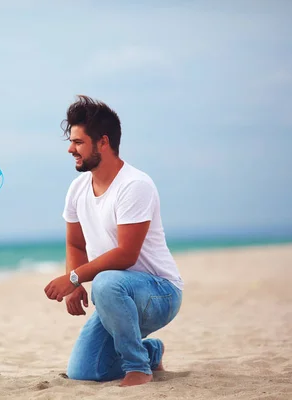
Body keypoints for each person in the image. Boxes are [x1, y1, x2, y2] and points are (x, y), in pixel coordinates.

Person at [44, 95, 184, 387]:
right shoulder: (77, 188)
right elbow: (75, 245)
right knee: (84, 371)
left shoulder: (135, 185)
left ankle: (137, 367)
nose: (71, 149)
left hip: (159, 293)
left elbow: (126, 255)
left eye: (79, 142)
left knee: (107, 281)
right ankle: (149, 351)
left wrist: (72, 277)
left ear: (103, 142)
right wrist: (76, 286)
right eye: (71, 142)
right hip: (113, 299)